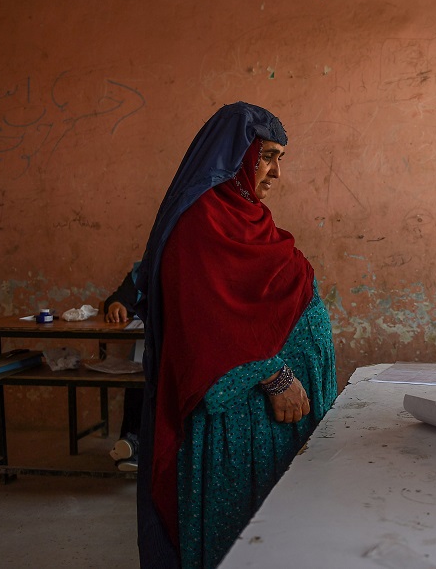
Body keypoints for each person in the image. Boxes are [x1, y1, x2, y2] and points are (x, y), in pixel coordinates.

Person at [133, 102, 338, 568]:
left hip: (280, 425)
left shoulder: (249, 218)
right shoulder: (199, 225)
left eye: (280, 158)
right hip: (237, 426)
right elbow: (202, 330)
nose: (275, 173)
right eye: (266, 155)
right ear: (232, 155)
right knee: (241, 543)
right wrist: (273, 376)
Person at [103, 261, 144, 472]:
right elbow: (119, 298)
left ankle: (134, 444)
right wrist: (115, 306)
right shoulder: (146, 269)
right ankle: (131, 444)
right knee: (140, 376)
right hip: (148, 351)